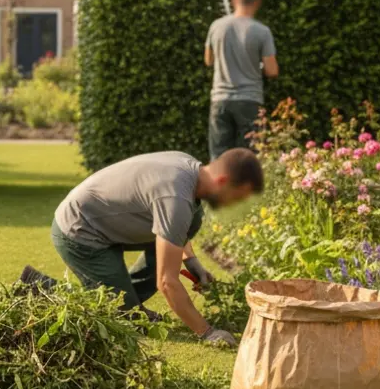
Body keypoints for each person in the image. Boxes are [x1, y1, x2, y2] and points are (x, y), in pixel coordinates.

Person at [22, 148, 264, 347]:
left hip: (108, 223)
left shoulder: (189, 170)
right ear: (223, 182)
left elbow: (175, 227)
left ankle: (131, 307)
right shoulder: (176, 196)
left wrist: (192, 262)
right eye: (238, 196)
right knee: (113, 312)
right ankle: (39, 286)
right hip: (80, 230)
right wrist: (208, 332)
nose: (236, 203)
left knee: (193, 219)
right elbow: (167, 282)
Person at [205, 0, 279, 161]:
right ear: (257, 3)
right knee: (251, 158)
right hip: (249, 100)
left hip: (220, 100)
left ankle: (218, 190)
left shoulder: (217, 26)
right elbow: (272, 70)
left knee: (219, 158)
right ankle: (248, 190)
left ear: (233, 0)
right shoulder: (262, 31)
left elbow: (208, 60)